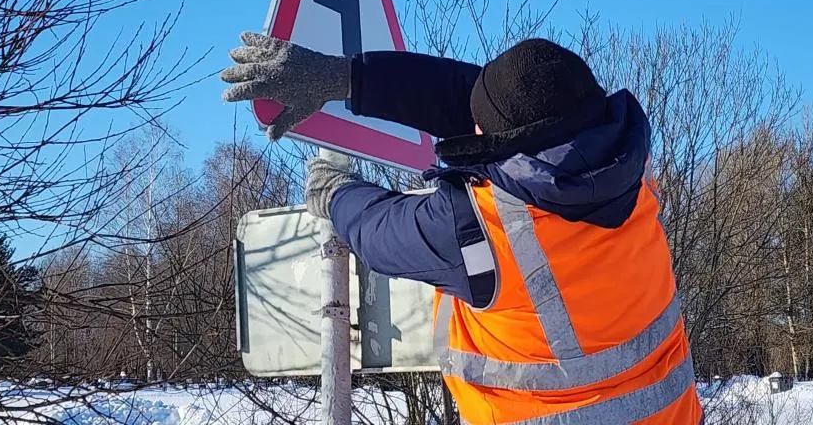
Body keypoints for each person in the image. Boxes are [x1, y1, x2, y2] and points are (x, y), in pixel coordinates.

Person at [221, 33, 702, 425]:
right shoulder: (629, 173)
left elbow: (378, 232)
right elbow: (497, 107)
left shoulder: (483, 227)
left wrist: (333, 191)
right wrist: (349, 77)